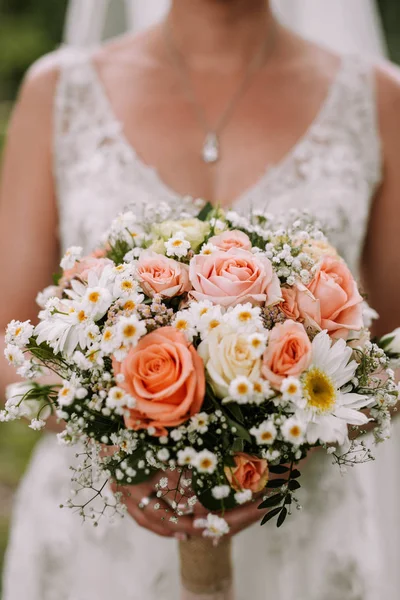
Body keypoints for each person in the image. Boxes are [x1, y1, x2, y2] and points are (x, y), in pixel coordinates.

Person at [1, 0, 400, 598]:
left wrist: (288, 439)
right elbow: (11, 347)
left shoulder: (379, 98)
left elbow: (390, 357)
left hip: (299, 544)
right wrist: (120, 439)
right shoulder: (59, 91)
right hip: (100, 546)